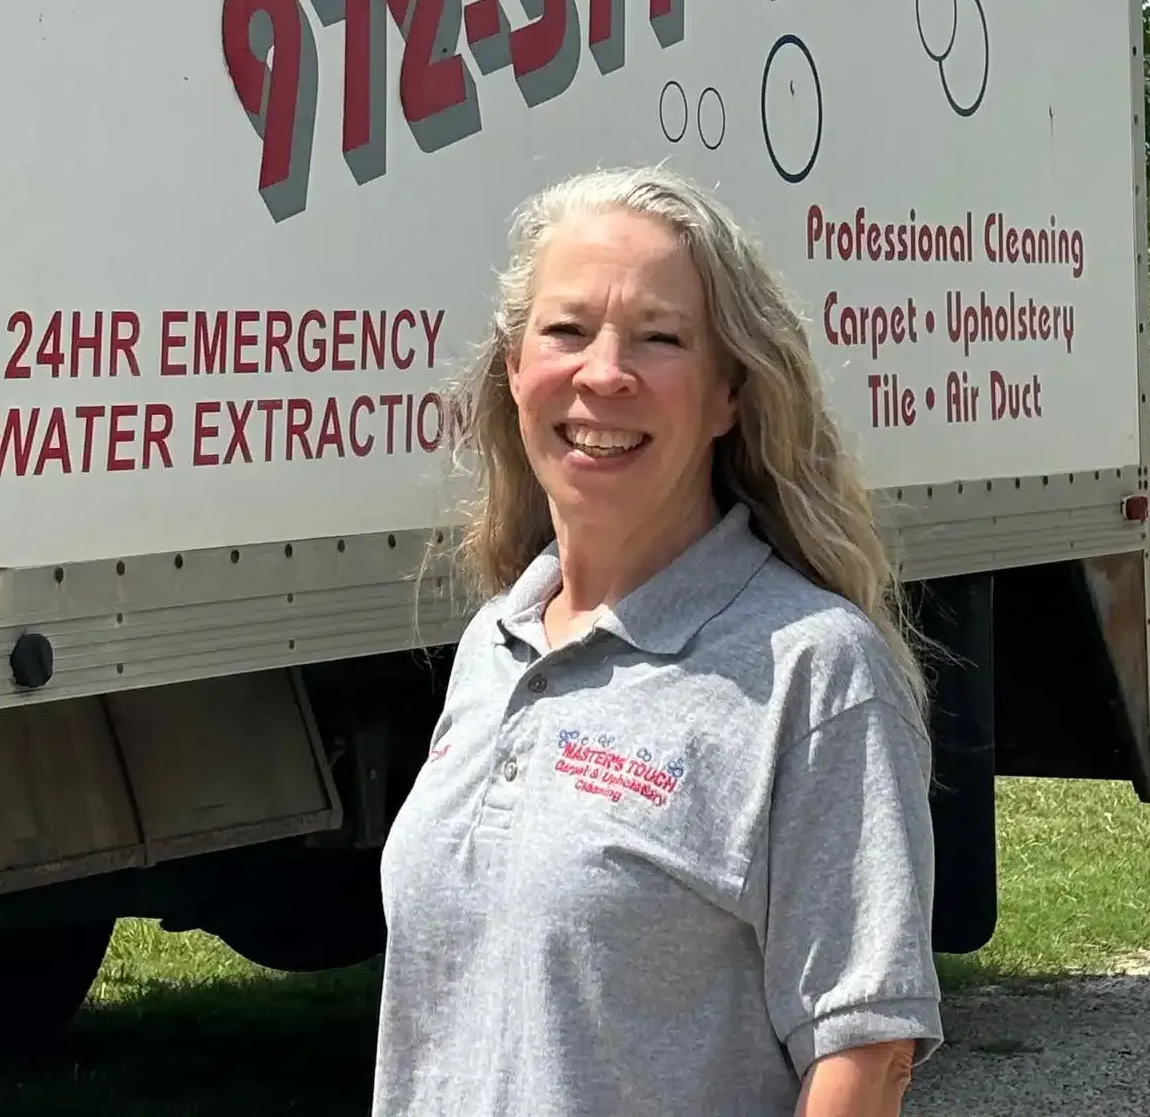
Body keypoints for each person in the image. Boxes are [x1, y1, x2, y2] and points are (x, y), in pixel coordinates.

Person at [373, 165, 941, 1117]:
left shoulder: (814, 669)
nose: (604, 373)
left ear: (729, 396)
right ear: (515, 371)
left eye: (659, 338)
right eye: (566, 330)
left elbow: (864, 1055)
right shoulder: (495, 645)